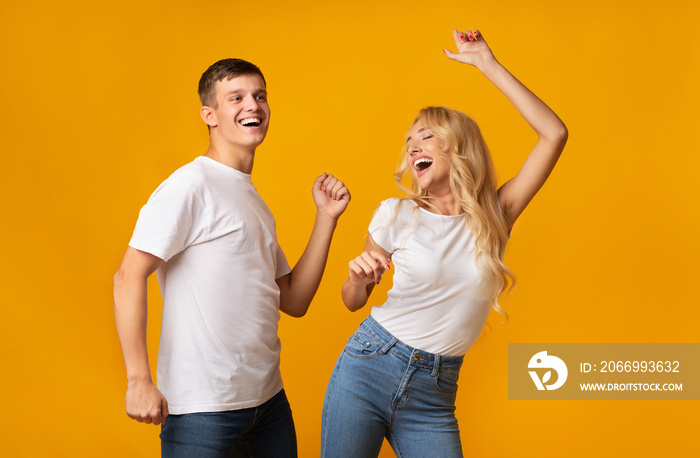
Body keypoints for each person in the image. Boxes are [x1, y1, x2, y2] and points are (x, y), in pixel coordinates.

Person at [321, 28, 568, 457]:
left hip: (434, 393)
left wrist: (487, 64)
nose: (413, 145)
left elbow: (554, 135)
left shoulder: (496, 215)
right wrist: (357, 279)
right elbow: (351, 300)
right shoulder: (397, 214)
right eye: (409, 140)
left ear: (458, 149)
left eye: (426, 136)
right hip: (369, 366)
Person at [113, 58, 350, 457]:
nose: (252, 106)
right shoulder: (190, 185)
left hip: (268, 403)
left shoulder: (253, 201)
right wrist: (138, 380)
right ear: (210, 115)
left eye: (260, 96)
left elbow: (293, 299)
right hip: (203, 411)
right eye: (236, 97)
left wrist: (325, 219)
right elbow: (127, 276)